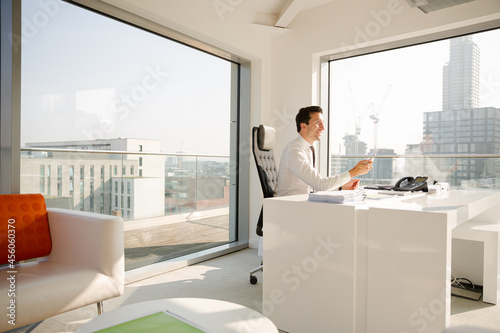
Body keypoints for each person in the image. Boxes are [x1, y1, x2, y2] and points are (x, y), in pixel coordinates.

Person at [275, 106, 373, 197]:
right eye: (318, 123)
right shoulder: (294, 151)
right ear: (303, 126)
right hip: (288, 206)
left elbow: (314, 187)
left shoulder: (309, 149)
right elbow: (320, 184)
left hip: (302, 202)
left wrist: (341, 188)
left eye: (322, 123)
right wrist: (354, 172)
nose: (323, 128)